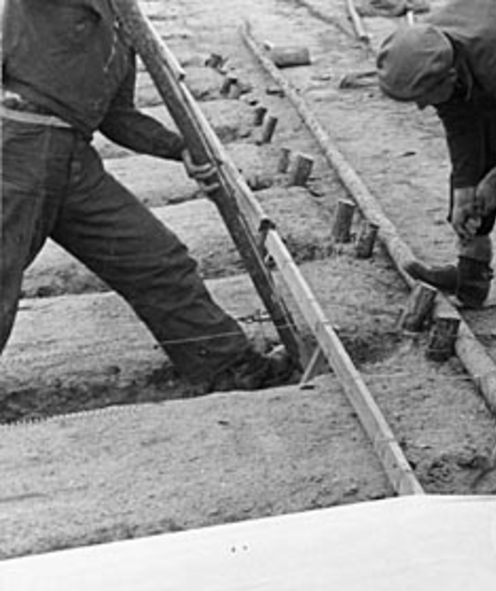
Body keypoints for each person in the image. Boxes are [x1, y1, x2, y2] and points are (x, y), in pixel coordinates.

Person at [1, 0, 292, 391]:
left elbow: (117, 116)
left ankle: (226, 366)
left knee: (155, 260)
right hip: (14, 146)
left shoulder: (124, 23)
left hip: (72, 160)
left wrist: (178, 148)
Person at [376, 0, 496, 309]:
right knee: (472, 175)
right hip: (484, 60)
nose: (422, 106)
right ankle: (471, 276)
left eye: (423, 98)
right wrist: (464, 190)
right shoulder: (432, 47)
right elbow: (460, 125)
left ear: (450, 76)